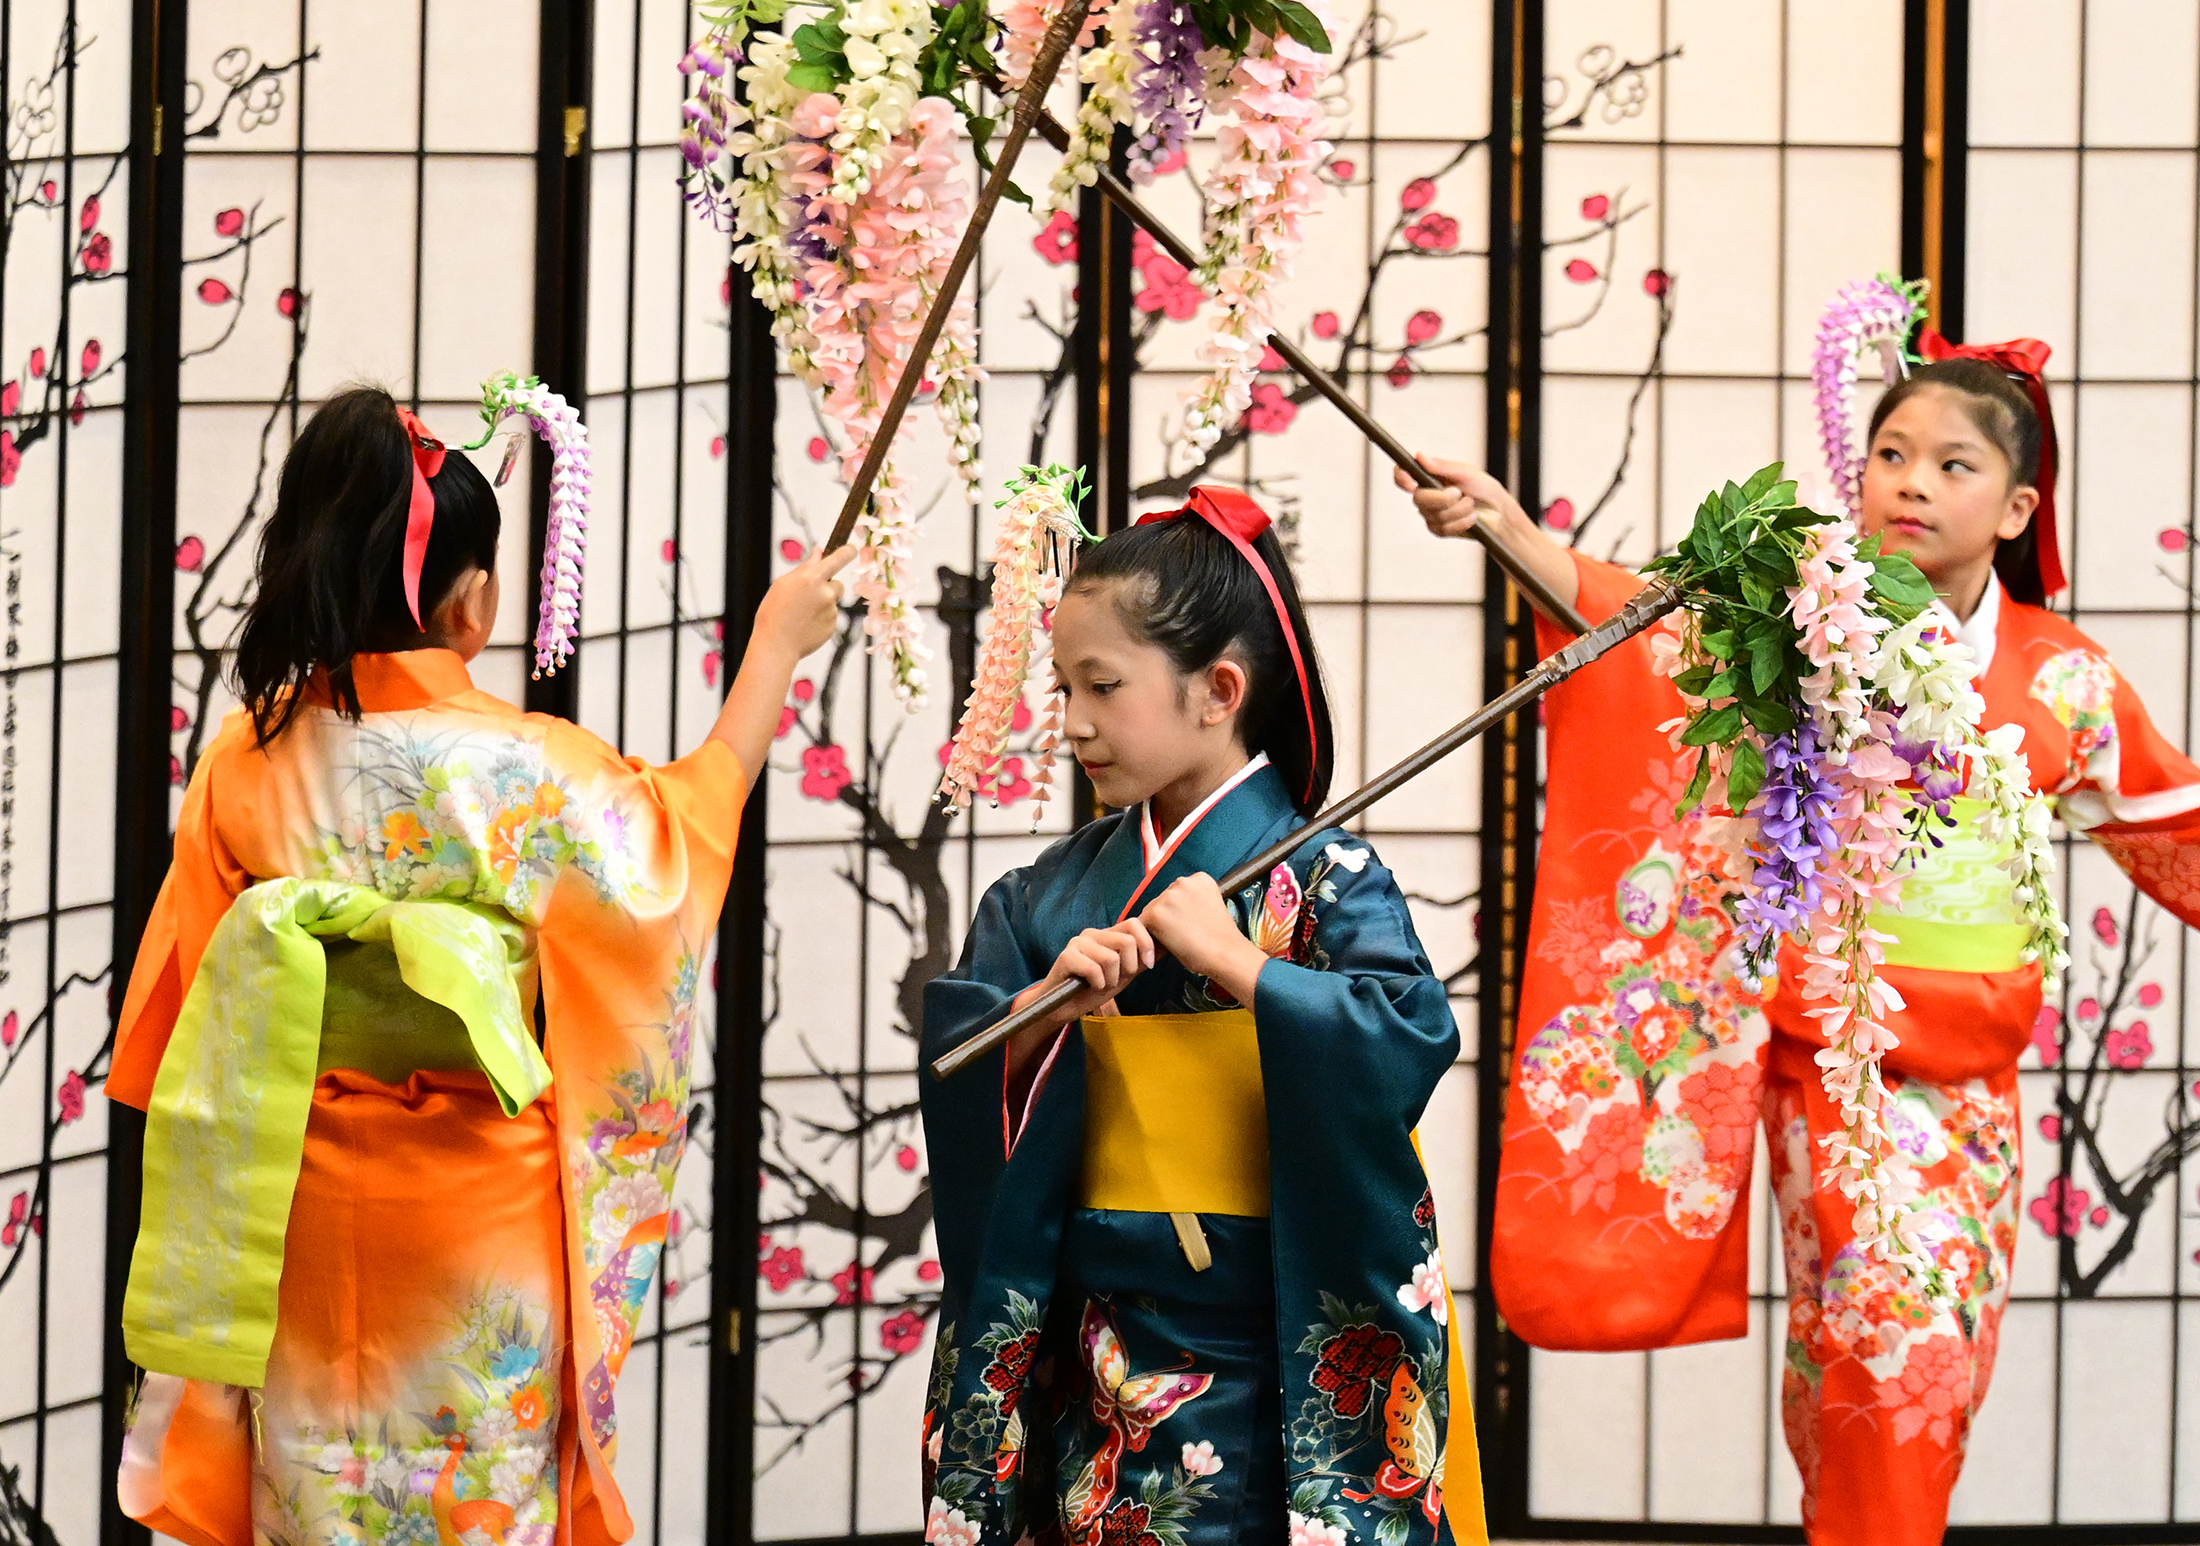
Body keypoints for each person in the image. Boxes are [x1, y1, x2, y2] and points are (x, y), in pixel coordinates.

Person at [1399, 337, 2200, 1545]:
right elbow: (1636, 633)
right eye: (1889, 455)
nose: (1911, 483)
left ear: (2018, 506)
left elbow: (2170, 819)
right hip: (1836, 1067)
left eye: (1951, 463)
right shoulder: (1808, 634)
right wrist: (1502, 527)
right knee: (1885, 1353)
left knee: (1913, 1363)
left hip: (1972, 1082)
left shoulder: (2063, 678)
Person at [108, 386, 849, 1546]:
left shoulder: (240, 766)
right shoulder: (531, 769)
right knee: (478, 1496)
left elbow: (185, 1022)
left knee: (314, 1487)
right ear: (474, 597)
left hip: (300, 1210)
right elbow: (670, 860)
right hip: (478, 1220)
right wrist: (772, 649)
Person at [919, 487, 1487, 1546]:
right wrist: (1044, 1014)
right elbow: (960, 1060)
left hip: (1278, 1329)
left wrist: (1235, 961)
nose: (1073, 722)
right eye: (1063, 687)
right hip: (1098, 1343)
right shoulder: (1045, 897)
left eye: (1102, 686)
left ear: (1218, 689)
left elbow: (1408, 1034)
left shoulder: (1325, 879)